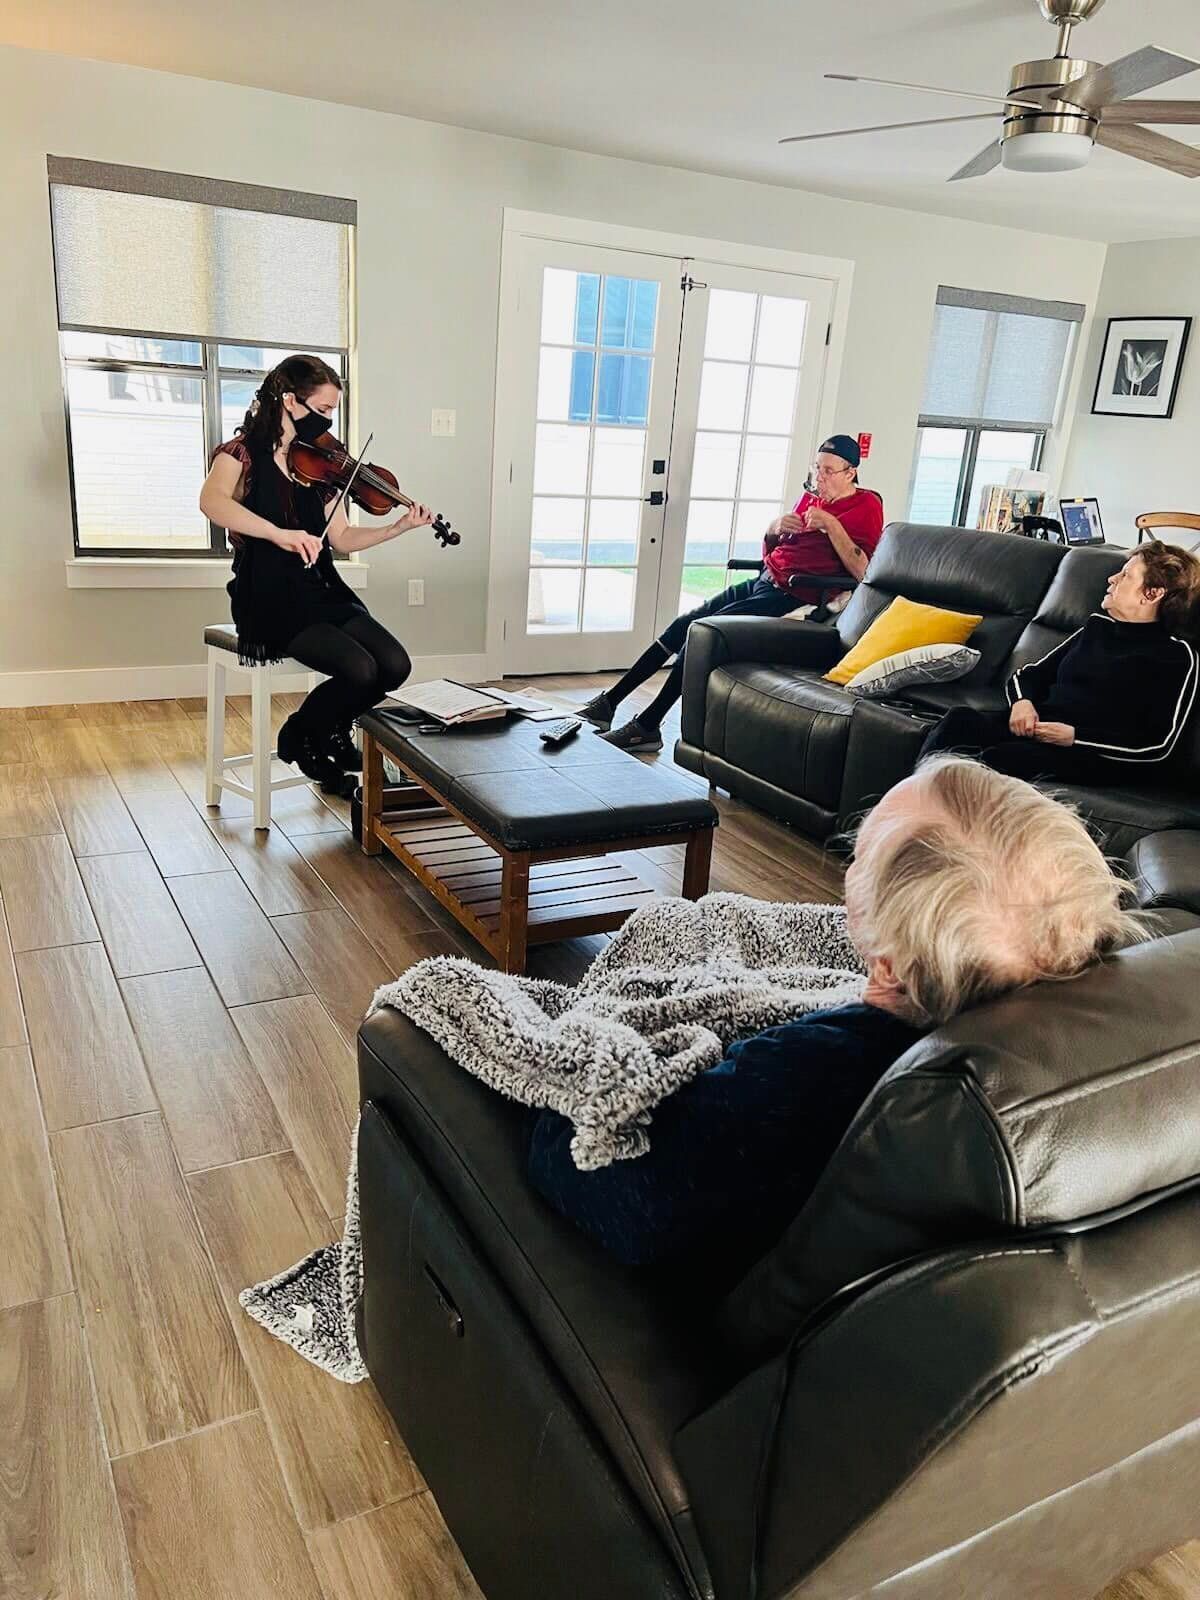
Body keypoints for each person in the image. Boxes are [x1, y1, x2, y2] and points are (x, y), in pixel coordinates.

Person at [527, 755, 1140, 1268]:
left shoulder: (797, 1075)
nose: (852, 857)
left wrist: (565, 1080)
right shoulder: (1089, 1035)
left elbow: (618, 1196)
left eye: (864, 851)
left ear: (891, 963)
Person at [198, 354, 434, 794]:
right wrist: (279, 534)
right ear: (289, 400)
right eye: (322, 410)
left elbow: (341, 538)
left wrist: (395, 528)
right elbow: (212, 503)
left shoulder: (321, 463)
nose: (328, 421)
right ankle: (307, 740)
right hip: (267, 594)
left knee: (394, 665)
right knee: (360, 671)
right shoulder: (241, 454)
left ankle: (315, 729)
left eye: (332, 412)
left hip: (321, 589)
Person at [580, 434, 884, 751]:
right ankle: (609, 703)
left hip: (796, 595)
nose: (818, 477)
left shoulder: (867, 506)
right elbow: (776, 547)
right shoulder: (811, 496)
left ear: (850, 473)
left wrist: (832, 525)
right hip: (766, 580)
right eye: (816, 468)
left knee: (700, 634)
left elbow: (864, 571)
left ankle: (647, 725)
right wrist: (774, 527)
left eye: (828, 471)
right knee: (682, 625)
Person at [920, 542, 1200, 784]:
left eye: (1126, 575)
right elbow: (1028, 676)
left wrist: (1075, 737)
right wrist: (1022, 703)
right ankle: (904, 812)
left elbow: (1159, 745)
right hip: (1038, 732)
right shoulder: (1094, 629)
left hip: (1094, 754)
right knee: (958, 721)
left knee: (999, 760)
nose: (1112, 579)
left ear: (1152, 593)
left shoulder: (1177, 657)